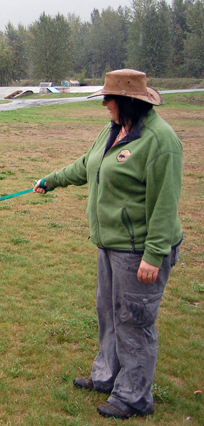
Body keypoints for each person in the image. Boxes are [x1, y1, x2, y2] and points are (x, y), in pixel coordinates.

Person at [33, 69, 183, 419]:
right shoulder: (114, 130)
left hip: (140, 252)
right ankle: (107, 376)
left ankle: (133, 397)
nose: (103, 103)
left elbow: (165, 203)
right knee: (109, 314)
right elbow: (87, 166)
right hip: (111, 246)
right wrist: (50, 181)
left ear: (127, 101)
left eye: (108, 98)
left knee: (134, 321)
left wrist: (154, 255)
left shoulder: (161, 142)